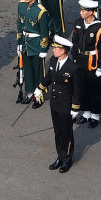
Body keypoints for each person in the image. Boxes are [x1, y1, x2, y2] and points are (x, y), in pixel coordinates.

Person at [32, 36, 79, 173]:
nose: (53, 50)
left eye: (56, 48)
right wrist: (40, 87)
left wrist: (75, 108)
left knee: (66, 133)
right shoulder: (53, 61)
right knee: (58, 132)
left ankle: (67, 159)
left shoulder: (73, 68)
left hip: (66, 105)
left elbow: (77, 90)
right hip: (55, 103)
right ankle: (60, 156)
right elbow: (49, 77)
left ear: (64, 50)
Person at [71, 0, 101, 126]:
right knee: (81, 86)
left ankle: (95, 115)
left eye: (84, 11)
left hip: (92, 61)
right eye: (81, 10)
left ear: (92, 12)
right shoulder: (78, 23)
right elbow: (74, 41)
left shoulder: (100, 28)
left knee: (93, 88)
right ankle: (86, 111)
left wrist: (100, 66)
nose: (81, 13)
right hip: (80, 59)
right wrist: (74, 56)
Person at [17, 0, 50, 99]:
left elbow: (44, 32)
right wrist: (19, 43)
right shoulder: (21, 6)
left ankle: (39, 94)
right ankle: (30, 90)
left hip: (36, 44)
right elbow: (19, 25)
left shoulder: (41, 11)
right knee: (28, 70)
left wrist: (43, 48)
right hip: (26, 43)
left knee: (38, 71)